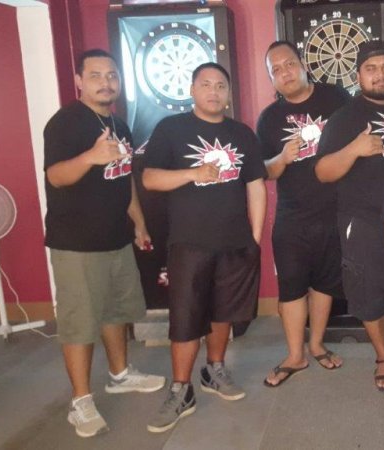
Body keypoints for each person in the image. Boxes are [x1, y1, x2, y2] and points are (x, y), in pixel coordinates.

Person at [43, 48, 165, 438]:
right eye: (95, 75)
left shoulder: (119, 124)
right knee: (79, 323)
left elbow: (124, 179)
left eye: (112, 75)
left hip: (116, 237)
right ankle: (80, 402)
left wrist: (139, 223)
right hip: (76, 244)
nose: (106, 82)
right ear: (79, 81)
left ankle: (120, 374)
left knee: (116, 311)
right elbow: (56, 176)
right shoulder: (65, 123)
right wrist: (90, 157)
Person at [142, 62, 267, 433]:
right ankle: (181, 390)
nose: (214, 91)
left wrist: (255, 237)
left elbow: (256, 185)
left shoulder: (242, 133)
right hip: (189, 242)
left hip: (234, 241)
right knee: (185, 318)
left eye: (220, 85)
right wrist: (193, 173)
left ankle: (214, 370)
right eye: (206, 84)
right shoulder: (171, 128)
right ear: (192, 90)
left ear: (228, 93)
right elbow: (149, 179)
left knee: (223, 311)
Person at [315, 40, 384, 391]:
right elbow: (323, 172)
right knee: (369, 291)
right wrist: (354, 150)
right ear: (358, 75)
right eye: (371, 69)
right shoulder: (345, 118)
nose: (381, 75)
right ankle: (383, 359)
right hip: (364, 222)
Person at [256, 41, 352, 386]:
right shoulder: (269, 118)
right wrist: (282, 157)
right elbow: (265, 171)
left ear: (303, 65)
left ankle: (316, 344)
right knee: (293, 286)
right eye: (276, 70)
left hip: (334, 210)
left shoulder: (336, 98)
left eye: (289, 64)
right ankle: (295, 355)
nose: (285, 72)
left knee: (325, 283)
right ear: (272, 78)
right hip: (292, 216)